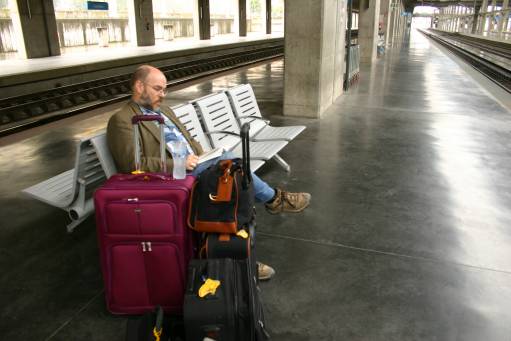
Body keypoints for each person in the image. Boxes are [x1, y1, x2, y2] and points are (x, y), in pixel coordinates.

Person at [107, 65, 311, 280]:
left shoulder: (164, 111)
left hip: (195, 165)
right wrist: (178, 162)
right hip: (169, 179)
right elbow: (131, 163)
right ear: (139, 86)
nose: (163, 95)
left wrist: (202, 155)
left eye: (165, 90)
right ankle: (272, 203)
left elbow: (188, 139)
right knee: (231, 169)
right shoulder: (122, 120)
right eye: (158, 89)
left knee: (232, 176)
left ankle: (240, 255)